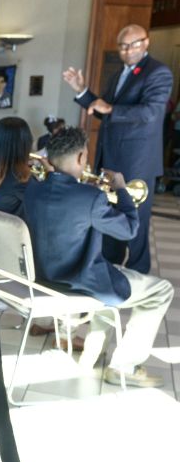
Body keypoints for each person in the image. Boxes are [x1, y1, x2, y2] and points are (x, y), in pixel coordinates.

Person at [24, 127, 174, 387]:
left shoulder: (33, 189)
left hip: (45, 278)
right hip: (80, 282)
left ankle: (91, 356)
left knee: (115, 269)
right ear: (82, 157)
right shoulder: (91, 197)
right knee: (161, 290)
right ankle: (125, 366)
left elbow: (68, 203)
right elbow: (129, 229)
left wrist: (88, 190)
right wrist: (121, 190)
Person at [63, 23, 173, 274]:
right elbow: (106, 111)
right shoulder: (119, 74)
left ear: (146, 42)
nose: (127, 50)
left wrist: (110, 109)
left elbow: (151, 112)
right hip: (111, 156)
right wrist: (82, 92)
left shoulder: (158, 72)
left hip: (137, 161)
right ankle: (110, 269)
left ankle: (138, 274)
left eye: (133, 44)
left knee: (135, 223)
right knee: (110, 215)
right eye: (122, 46)